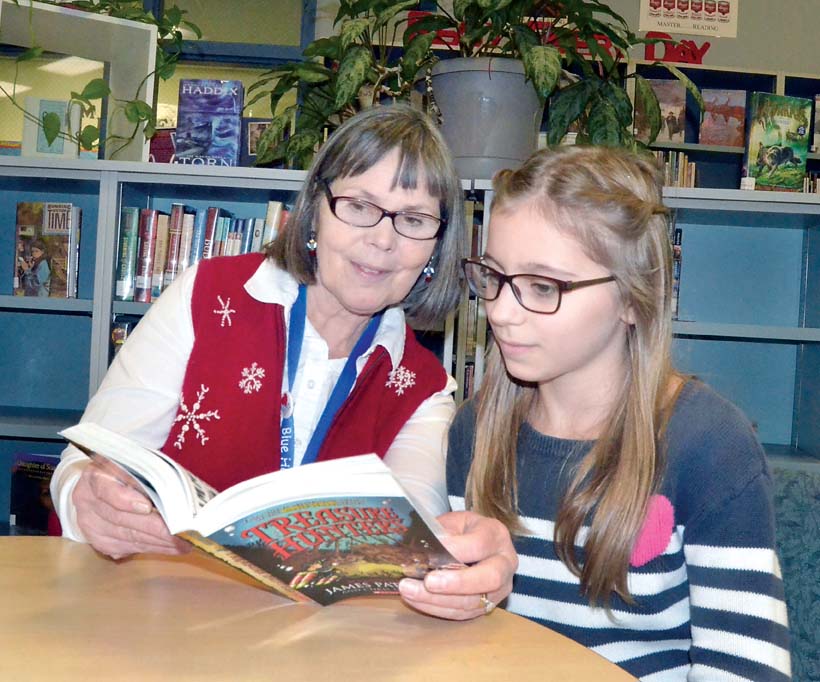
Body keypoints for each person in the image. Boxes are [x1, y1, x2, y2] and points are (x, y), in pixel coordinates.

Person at [51, 104, 516, 620]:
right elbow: (86, 462)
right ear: (316, 208)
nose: (383, 240)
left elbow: (406, 554)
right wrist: (85, 502)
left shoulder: (424, 390)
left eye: (413, 220)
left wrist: (453, 577)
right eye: (360, 205)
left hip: (309, 648)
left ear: (435, 247)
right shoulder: (205, 297)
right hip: (152, 617)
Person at [448, 145, 791, 676]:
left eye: (543, 287)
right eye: (493, 276)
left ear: (633, 300)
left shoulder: (710, 447)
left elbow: (745, 668)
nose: (500, 310)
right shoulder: (475, 429)